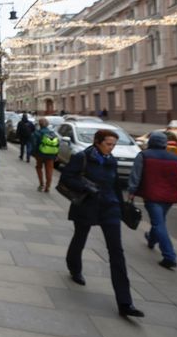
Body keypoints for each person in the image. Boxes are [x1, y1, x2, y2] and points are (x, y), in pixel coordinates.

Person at [60, 129, 144, 318]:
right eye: (108, 144)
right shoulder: (82, 157)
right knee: (80, 238)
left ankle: (125, 302)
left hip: (110, 208)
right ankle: (74, 268)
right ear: (98, 142)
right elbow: (67, 177)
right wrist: (87, 186)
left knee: (117, 252)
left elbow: (115, 185)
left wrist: (122, 207)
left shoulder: (111, 160)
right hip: (87, 206)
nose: (111, 148)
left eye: (114, 144)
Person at [127, 131, 177, 269]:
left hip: (152, 196)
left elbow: (135, 175)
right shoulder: (174, 158)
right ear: (165, 144)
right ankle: (151, 239)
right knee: (159, 221)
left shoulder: (144, 155)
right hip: (169, 197)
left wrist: (131, 192)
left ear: (151, 142)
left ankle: (169, 256)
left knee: (159, 223)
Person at [31, 117, 58, 192]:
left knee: (39, 167)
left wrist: (33, 153)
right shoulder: (52, 133)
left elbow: (34, 144)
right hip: (50, 155)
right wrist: (56, 155)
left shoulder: (37, 133)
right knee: (49, 171)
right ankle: (48, 186)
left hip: (40, 154)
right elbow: (57, 145)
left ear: (39, 125)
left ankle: (41, 184)